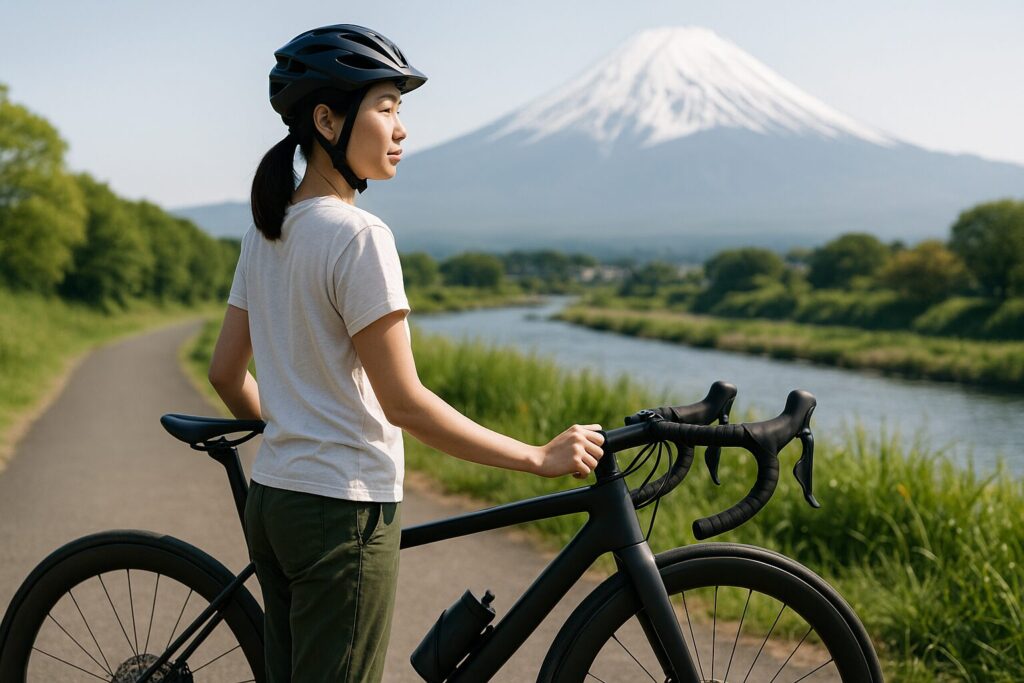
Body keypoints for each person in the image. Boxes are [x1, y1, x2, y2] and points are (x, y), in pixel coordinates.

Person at [207, 24, 606, 683]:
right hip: (343, 510)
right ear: (327, 118)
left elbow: (225, 373)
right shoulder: (360, 236)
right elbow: (405, 403)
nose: (401, 128)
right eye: (386, 107)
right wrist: (536, 457)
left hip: (275, 501)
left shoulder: (267, 229)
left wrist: (291, 426)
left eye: (401, 110)